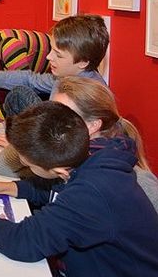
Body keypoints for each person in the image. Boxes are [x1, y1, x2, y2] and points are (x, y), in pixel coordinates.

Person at [0, 101, 158, 277]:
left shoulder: (91, 193)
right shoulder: (90, 156)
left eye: (27, 164)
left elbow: (22, 241)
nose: (25, 167)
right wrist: (1, 187)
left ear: (57, 170)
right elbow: (52, 190)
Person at [0, 14, 108, 115]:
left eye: (58, 54)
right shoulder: (62, 78)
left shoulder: (90, 96)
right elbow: (29, 79)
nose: (49, 57)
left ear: (83, 62)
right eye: (52, 50)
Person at [51, 77, 157, 211]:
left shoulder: (138, 182)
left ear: (92, 125)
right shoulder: (72, 161)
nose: (50, 123)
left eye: (61, 118)